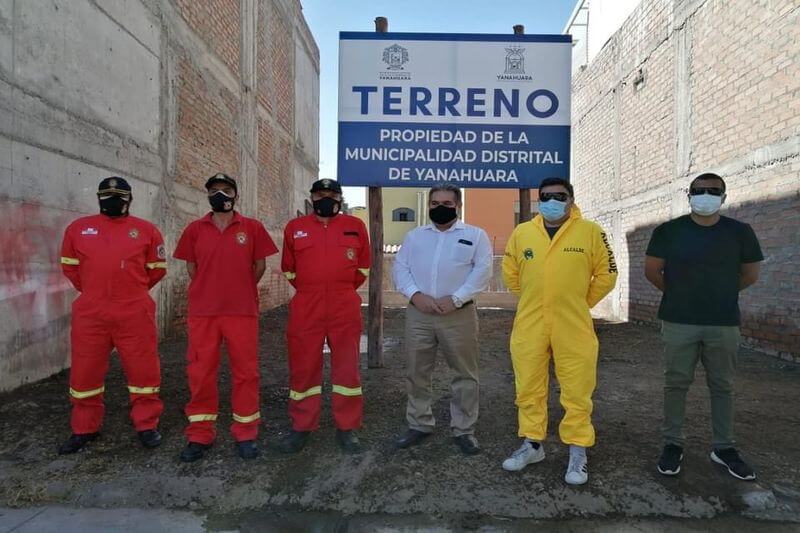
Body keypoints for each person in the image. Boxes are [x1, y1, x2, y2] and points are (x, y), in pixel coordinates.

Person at [645, 172, 763, 481]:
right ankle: (672, 444)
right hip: (678, 321)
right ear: (689, 195)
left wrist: (719, 293)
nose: (705, 195)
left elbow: (750, 274)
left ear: (724, 197)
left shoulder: (740, 232)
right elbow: (652, 271)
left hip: (722, 322)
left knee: (722, 385)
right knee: (676, 384)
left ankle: (724, 448)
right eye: (699, 190)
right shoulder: (669, 231)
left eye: (713, 191)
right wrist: (680, 293)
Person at [501, 177, 617, 484]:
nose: (553, 201)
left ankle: (577, 450)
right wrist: (533, 298)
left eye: (559, 196)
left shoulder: (591, 232)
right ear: (539, 200)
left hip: (573, 324)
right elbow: (510, 272)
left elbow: (608, 274)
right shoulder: (523, 232)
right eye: (546, 196)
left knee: (577, 388)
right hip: (530, 322)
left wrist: (578, 302)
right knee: (528, 386)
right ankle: (532, 443)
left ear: (571, 199)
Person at [173, 173, 278, 462]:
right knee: (200, 372)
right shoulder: (195, 229)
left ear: (236, 195)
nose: (221, 194)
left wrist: (238, 289)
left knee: (246, 373)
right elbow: (192, 268)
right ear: (207, 195)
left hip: (241, 311)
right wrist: (210, 290)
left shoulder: (252, 228)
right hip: (203, 313)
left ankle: (246, 432)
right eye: (215, 190)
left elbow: (259, 266)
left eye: (227, 189)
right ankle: (200, 434)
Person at [58, 177, 167, 454]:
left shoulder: (146, 230)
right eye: (106, 195)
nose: (112, 200)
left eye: (118, 195)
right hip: (91, 312)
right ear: (98, 198)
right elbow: (70, 268)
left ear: (129, 199)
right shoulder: (78, 229)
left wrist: (128, 291)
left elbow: (156, 270)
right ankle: (85, 427)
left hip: (134, 311)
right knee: (85, 372)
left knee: (143, 370)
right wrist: (98, 291)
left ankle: (146, 424)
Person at [392, 184, 493, 455]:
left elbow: (482, 272)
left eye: (447, 203)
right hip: (419, 314)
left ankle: (463, 429)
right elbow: (400, 268)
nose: (440, 208)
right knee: (417, 372)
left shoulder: (476, 236)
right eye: (435, 203)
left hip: (458, 315)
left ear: (457, 206)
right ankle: (419, 423)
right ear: (429, 206)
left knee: (464, 375)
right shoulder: (414, 237)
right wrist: (415, 295)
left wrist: (457, 298)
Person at [278, 179, 370, 454]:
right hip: (307, 304)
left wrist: (338, 289)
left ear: (340, 199)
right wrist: (313, 289)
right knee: (304, 366)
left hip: (344, 304)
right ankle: (302, 426)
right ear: (312, 198)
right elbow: (289, 269)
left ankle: (348, 427)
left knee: (347, 367)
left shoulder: (356, 227)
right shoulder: (296, 228)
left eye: (331, 194)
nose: (325, 198)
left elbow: (363, 268)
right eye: (320, 194)